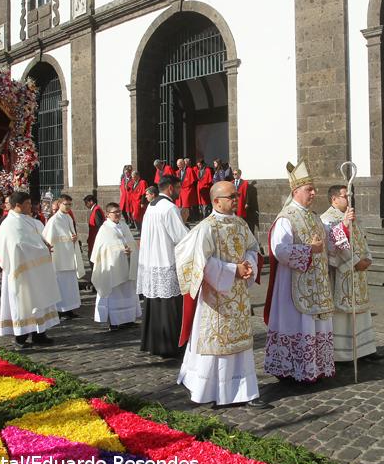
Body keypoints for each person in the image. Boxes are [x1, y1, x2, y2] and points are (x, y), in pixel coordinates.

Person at [175, 181, 267, 408]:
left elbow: (252, 248)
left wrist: (248, 265)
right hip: (216, 299)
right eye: (231, 196)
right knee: (218, 344)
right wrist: (232, 270)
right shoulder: (206, 227)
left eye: (236, 195)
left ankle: (246, 391)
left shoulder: (240, 223)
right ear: (216, 201)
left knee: (241, 345)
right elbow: (200, 263)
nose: (236, 199)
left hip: (238, 296)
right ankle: (210, 390)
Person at [263, 161, 348, 383]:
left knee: (315, 326)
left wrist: (345, 227)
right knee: (299, 325)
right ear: (295, 191)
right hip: (294, 285)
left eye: (313, 189)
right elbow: (280, 250)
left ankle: (315, 367)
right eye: (309, 189)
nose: (314, 193)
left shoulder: (313, 216)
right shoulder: (286, 217)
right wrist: (308, 250)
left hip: (317, 284)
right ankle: (292, 370)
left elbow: (329, 240)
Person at [321, 185, 384, 363]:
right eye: (344, 196)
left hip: (359, 273)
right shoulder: (327, 219)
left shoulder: (350, 215)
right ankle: (343, 354)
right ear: (334, 199)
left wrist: (368, 257)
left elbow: (361, 239)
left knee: (361, 312)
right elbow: (335, 245)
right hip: (344, 273)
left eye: (349, 195)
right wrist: (356, 262)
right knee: (344, 315)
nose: (348, 198)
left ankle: (365, 349)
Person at [0, 191, 62, 349]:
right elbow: (18, 245)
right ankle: (20, 338)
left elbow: (35, 238)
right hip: (21, 273)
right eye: (28, 203)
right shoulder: (11, 224)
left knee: (38, 300)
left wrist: (44, 244)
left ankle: (39, 335)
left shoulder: (26, 219)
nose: (31, 206)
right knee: (23, 303)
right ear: (18, 205)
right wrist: (42, 249)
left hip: (35, 270)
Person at [137, 175, 189, 357]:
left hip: (152, 262)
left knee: (155, 305)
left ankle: (154, 343)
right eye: (179, 187)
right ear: (170, 188)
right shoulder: (169, 208)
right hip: (166, 262)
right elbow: (182, 238)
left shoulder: (152, 206)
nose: (180, 191)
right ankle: (169, 346)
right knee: (169, 306)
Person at [91, 202, 140, 329]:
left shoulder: (124, 226)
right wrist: (120, 251)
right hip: (113, 269)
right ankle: (114, 321)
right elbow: (101, 251)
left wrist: (131, 251)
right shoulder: (105, 229)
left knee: (128, 293)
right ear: (107, 214)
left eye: (119, 211)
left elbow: (131, 243)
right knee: (114, 295)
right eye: (115, 212)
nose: (118, 214)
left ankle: (129, 319)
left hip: (127, 265)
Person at [42, 194, 85, 320]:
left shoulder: (68, 217)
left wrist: (74, 238)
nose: (68, 207)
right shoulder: (54, 220)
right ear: (59, 204)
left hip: (69, 256)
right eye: (66, 204)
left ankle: (70, 309)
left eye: (70, 204)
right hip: (59, 258)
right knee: (61, 286)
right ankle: (60, 310)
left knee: (70, 286)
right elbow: (47, 238)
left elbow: (70, 234)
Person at [84, 194, 106, 261]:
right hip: (93, 238)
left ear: (91, 202)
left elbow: (99, 226)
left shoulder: (96, 210)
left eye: (86, 203)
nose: (85, 205)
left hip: (95, 239)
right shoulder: (95, 209)